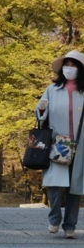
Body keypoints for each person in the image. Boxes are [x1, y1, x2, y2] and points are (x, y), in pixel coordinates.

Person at [36, 50, 84, 239]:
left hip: (81, 146)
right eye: (67, 65)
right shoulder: (51, 89)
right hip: (58, 143)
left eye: (73, 66)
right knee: (55, 185)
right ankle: (54, 219)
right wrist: (40, 110)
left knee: (75, 186)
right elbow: (40, 115)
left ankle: (70, 225)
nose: (69, 69)